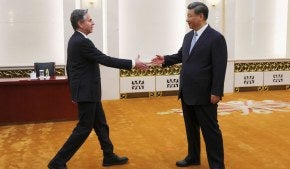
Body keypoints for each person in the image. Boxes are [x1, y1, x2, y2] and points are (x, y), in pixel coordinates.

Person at [48, 9, 147, 169]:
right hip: (87, 93)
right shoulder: (82, 42)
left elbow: (70, 68)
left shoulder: (75, 40)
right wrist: (133, 64)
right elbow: (104, 59)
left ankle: (108, 155)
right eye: (89, 20)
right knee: (84, 128)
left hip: (88, 92)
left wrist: (74, 92)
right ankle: (58, 161)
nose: (93, 23)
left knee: (101, 124)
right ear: (80, 24)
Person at [152, 2, 227, 169]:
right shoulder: (188, 37)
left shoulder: (216, 38)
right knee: (191, 129)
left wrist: (216, 91)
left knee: (210, 131)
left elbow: (220, 67)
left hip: (205, 94)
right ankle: (193, 157)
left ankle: (217, 164)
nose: (187, 19)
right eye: (187, 16)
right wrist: (165, 59)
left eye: (189, 16)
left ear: (201, 16)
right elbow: (181, 55)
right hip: (187, 92)